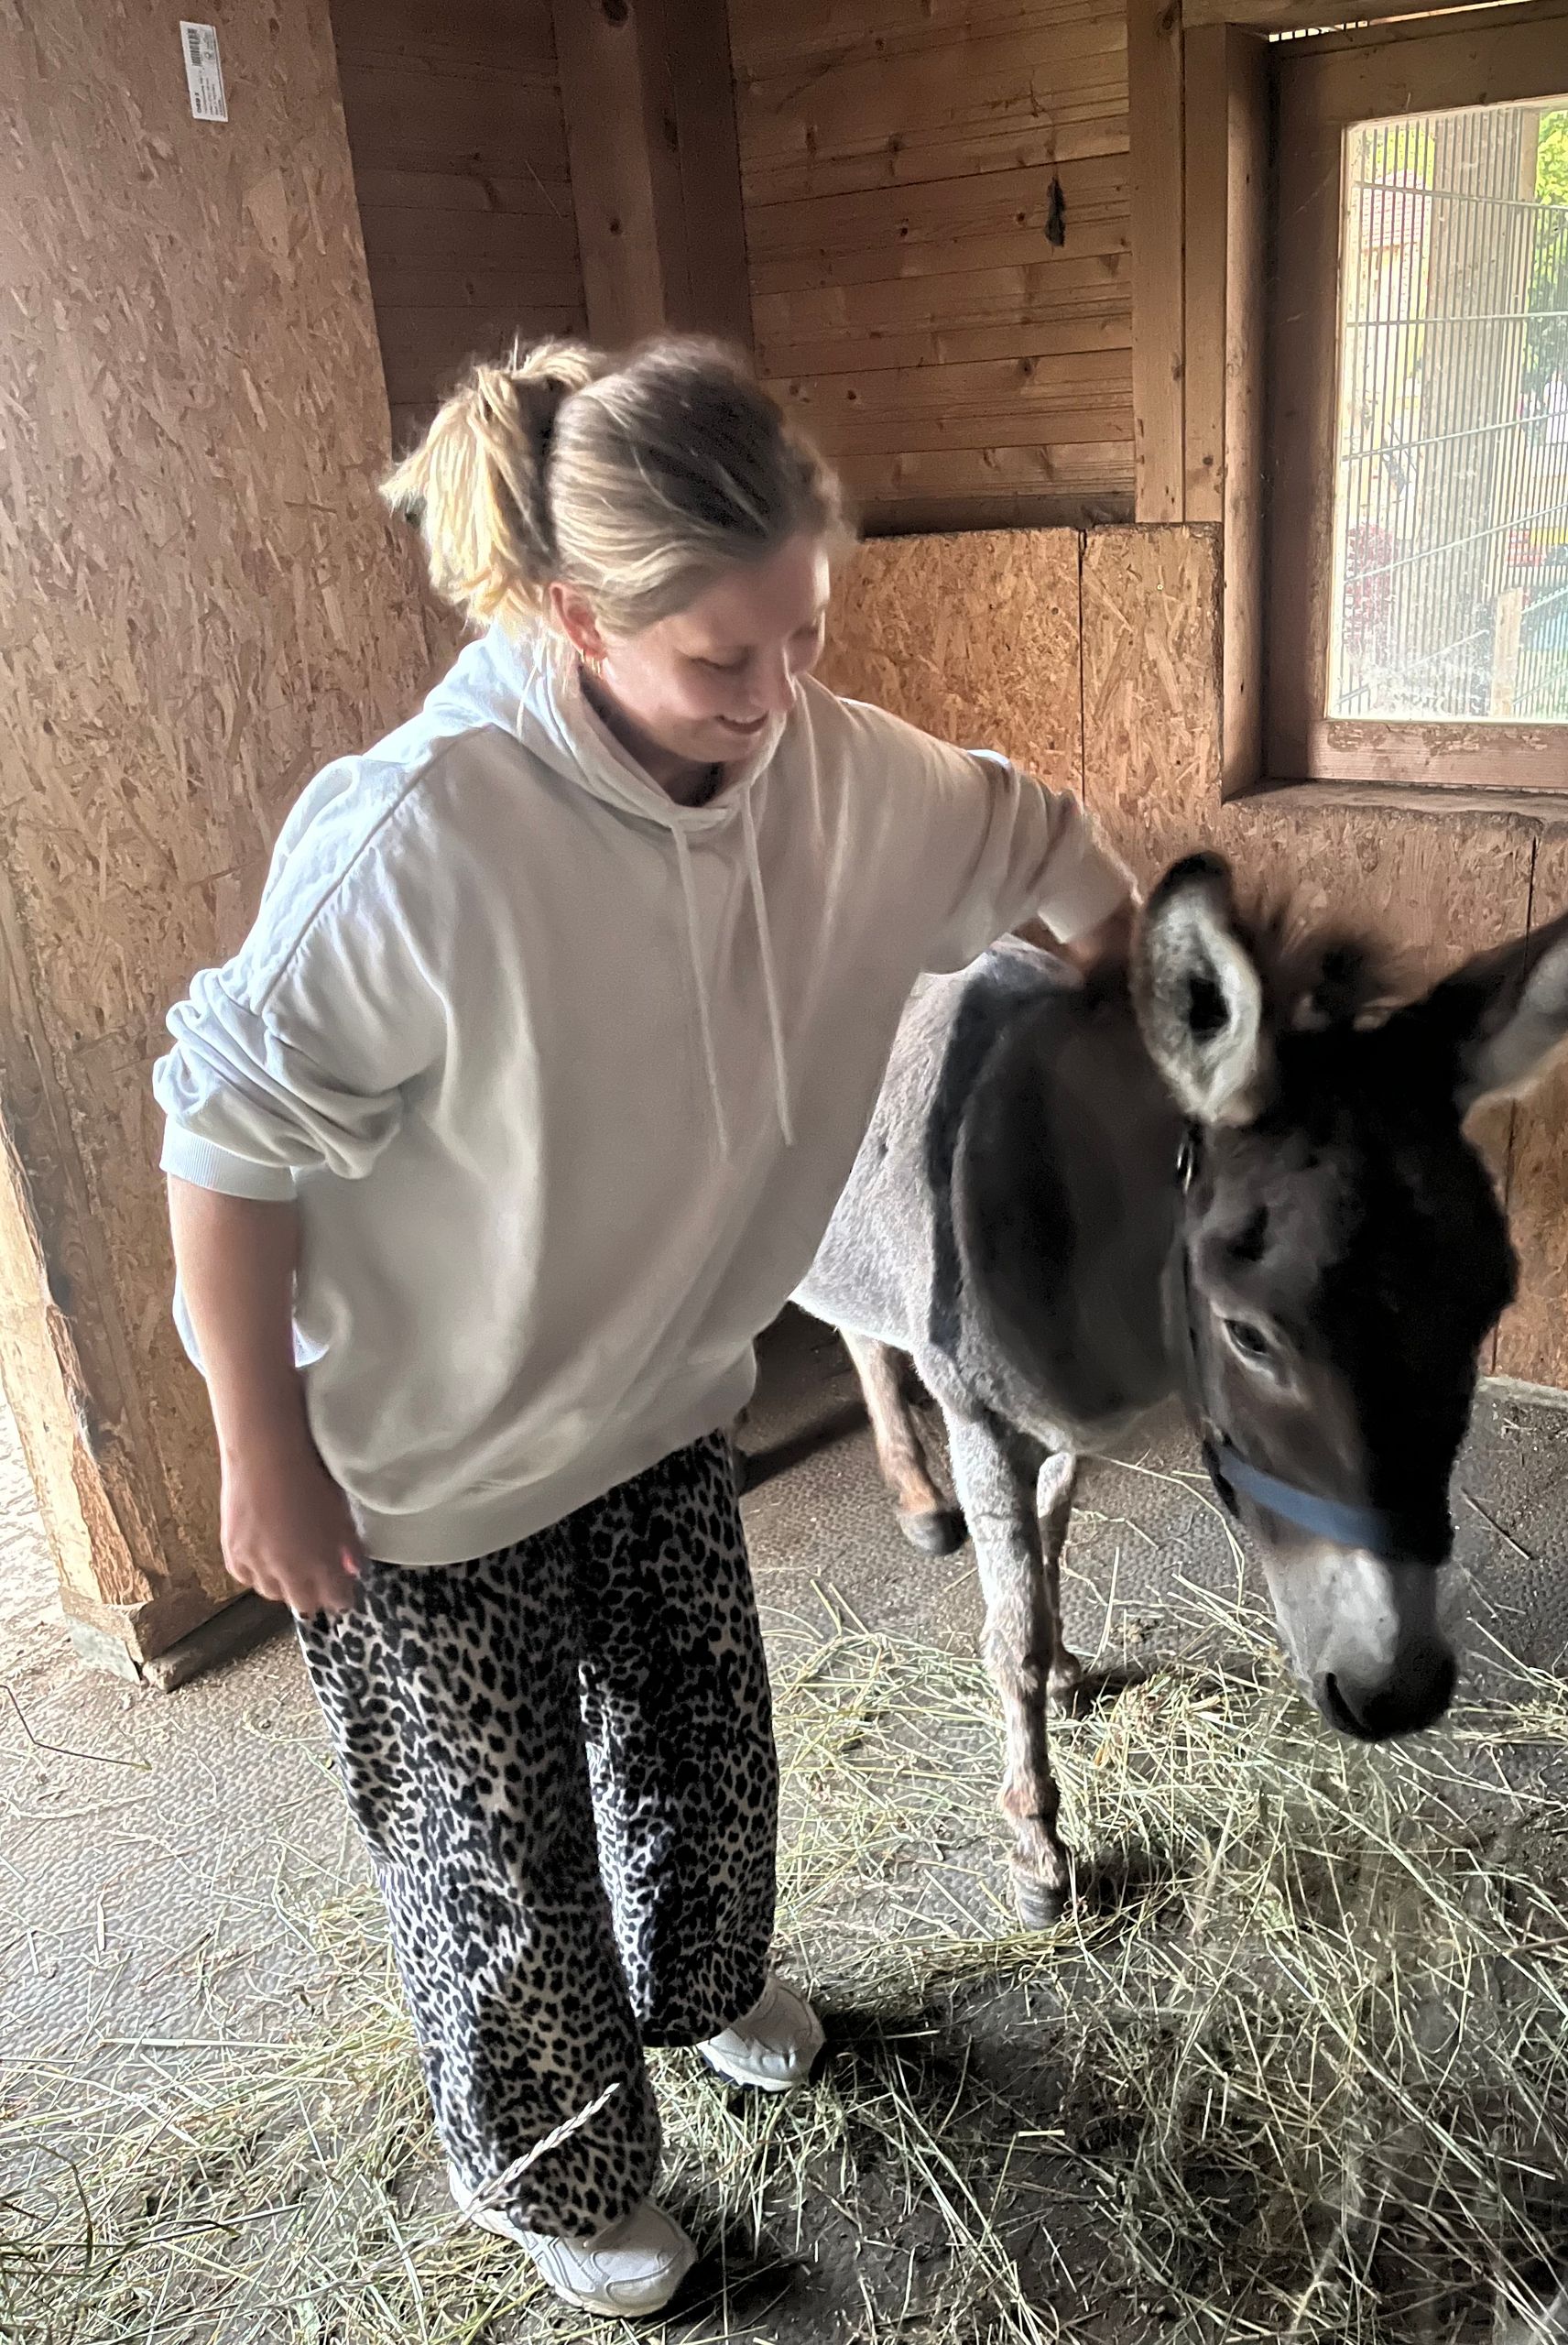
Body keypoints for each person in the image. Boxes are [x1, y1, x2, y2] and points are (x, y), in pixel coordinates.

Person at [154, 336, 1135, 2318]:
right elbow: (223, 1131)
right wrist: (261, 1443)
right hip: (429, 1468)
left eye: (802, 632)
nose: (775, 696)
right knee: (500, 1859)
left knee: (706, 1748)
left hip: (661, 1401)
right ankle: (559, 2172)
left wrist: (1127, 1015)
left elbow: (1046, 840)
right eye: (719, 658)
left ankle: (706, 1992)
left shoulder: (832, 766)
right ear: (569, 613)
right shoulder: (426, 836)